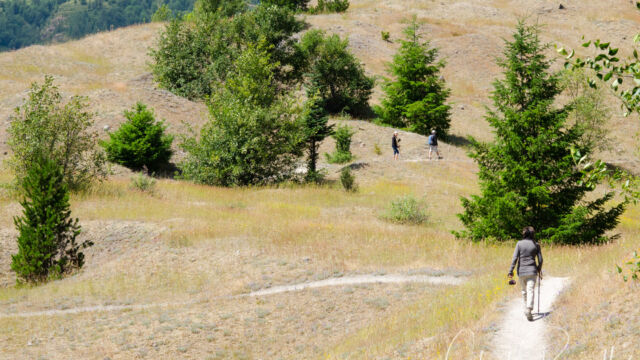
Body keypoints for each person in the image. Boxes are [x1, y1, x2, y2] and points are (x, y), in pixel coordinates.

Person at [508, 226, 543, 321]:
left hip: (522, 271)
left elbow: (515, 258)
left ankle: (526, 308)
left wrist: (510, 271)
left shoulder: (519, 244)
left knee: (524, 291)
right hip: (532, 271)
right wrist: (539, 269)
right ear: (532, 234)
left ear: (524, 234)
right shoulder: (536, 245)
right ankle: (529, 309)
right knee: (531, 289)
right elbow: (540, 260)